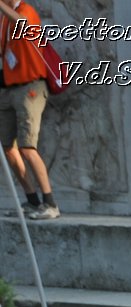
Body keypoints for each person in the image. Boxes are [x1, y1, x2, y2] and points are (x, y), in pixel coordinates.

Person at [0, 0, 59, 220]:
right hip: (8, 88)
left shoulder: (25, 11)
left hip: (30, 86)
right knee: (7, 147)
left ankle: (50, 202)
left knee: (27, 147)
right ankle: (32, 200)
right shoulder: (4, 19)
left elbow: (23, 24)